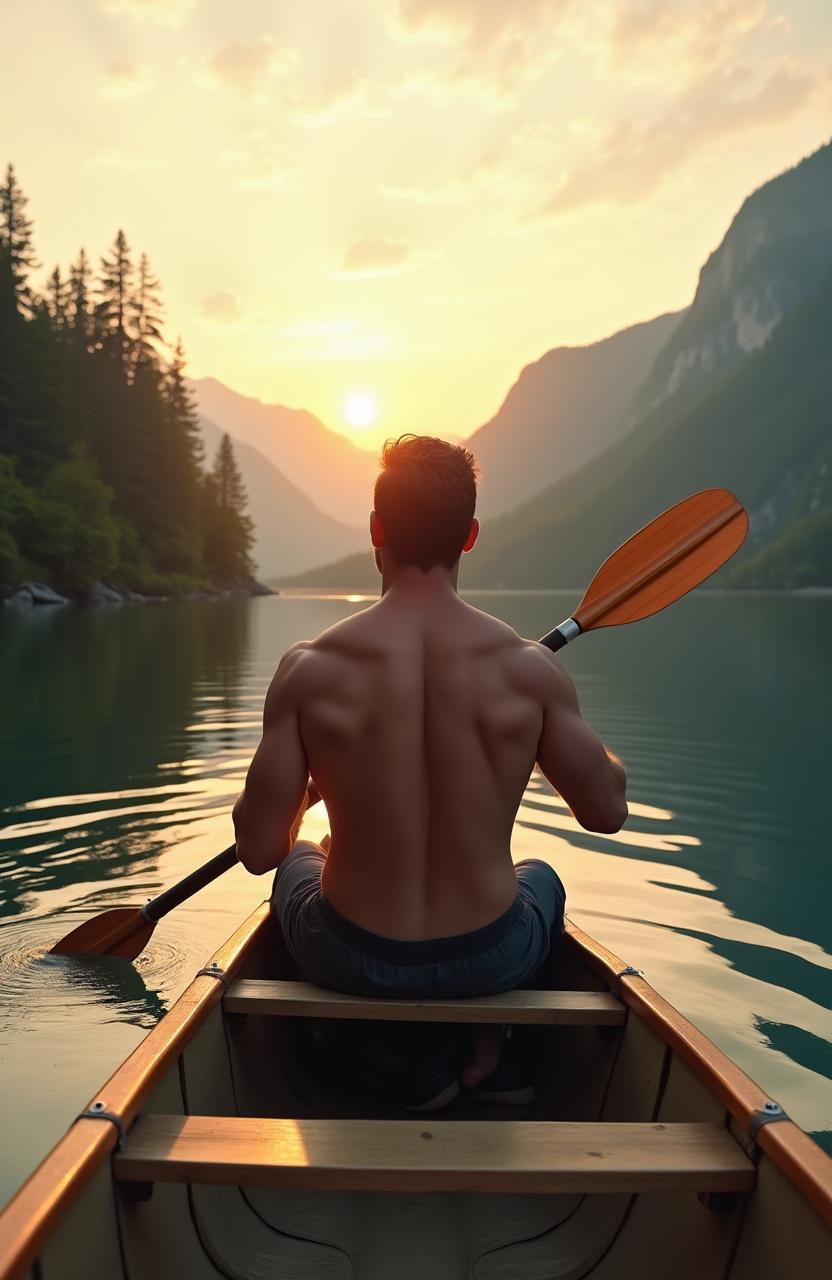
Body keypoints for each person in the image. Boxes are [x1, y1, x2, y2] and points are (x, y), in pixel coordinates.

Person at [233, 435, 627, 1108]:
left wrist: (306, 797)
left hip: (349, 956)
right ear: (470, 536)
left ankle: (378, 1055)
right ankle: (496, 1052)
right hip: (492, 955)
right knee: (543, 878)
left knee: (303, 856)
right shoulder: (529, 670)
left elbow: (258, 850)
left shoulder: (309, 669)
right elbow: (606, 811)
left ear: (376, 530)